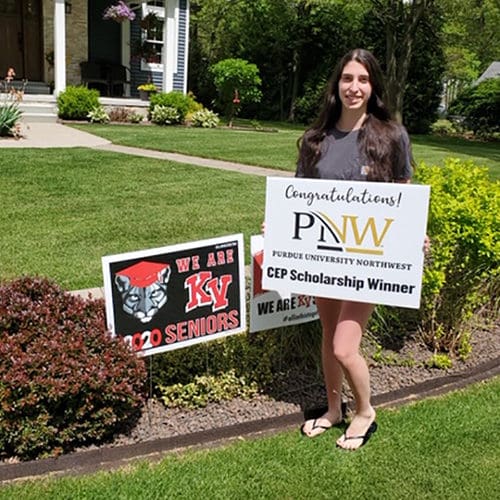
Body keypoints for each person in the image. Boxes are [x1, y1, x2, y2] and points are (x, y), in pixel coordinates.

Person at [296, 48, 424, 450]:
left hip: (371, 259)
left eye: (363, 80)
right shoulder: (315, 140)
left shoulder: (391, 136)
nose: (354, 87)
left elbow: (403, 196)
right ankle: (334, 410)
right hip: (325, 256)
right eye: (347, 78)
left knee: (344, 345)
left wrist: (413, 233)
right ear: (337, 83)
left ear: (373, 86)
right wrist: (280, 227)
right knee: (328, 334)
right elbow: (301, 198)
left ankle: (364, 411)